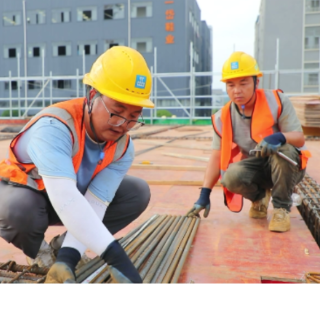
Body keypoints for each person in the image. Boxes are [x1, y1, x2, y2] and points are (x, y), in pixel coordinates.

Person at [0, 46, 154, 284]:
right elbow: (65, 197)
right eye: (116, 111)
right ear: (92, 97)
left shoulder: (123, 146)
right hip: (29, 196)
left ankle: (64, 246)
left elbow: (96, 203)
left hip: (71, 199)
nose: (122, 124)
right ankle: (40, 254)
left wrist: (68, 258)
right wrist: (117, 260)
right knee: (16, 208)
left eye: (134, 117)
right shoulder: (56, 126)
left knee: (136, 192)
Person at [187, 52, 311, 233]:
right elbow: (216, 156)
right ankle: (260, 198)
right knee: (231, 176)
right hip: (257, 168)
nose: (237, 90)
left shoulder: (276, 101)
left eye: (243, 83)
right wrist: (204, 195)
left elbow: (299, 138)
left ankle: (281, 209)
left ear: (256, 82)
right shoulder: (223, 117)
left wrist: (279, 137)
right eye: (231, 85)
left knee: (283, 150)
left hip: (289, 166)